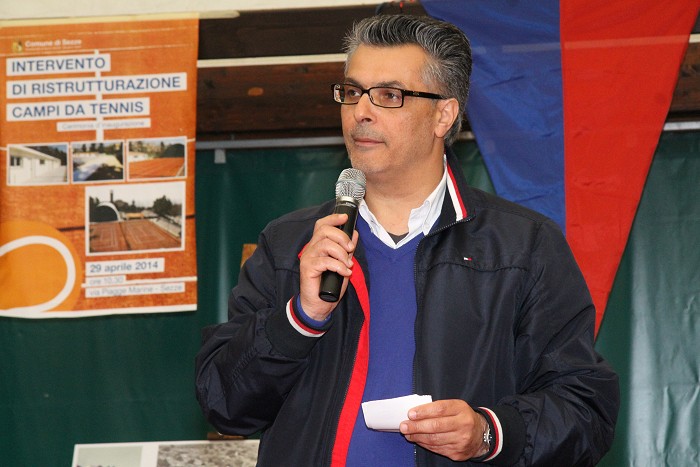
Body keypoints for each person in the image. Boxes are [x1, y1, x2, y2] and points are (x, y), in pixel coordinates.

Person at [195, 14, 619, 466]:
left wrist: (488, 432)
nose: (361, 111)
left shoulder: (523, 246)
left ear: (443, 115)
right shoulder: (288, 245)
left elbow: (584, 409)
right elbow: (226, 405)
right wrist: (300, 317)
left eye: (388, 95)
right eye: (352, 92)